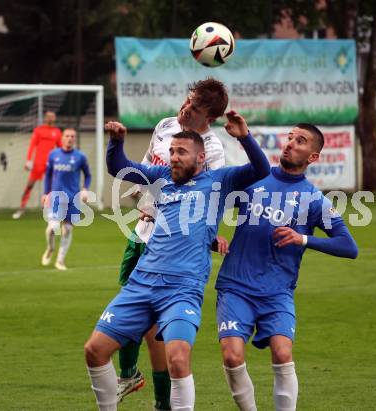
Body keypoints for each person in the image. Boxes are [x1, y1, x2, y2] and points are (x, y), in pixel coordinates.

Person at [84, 111, 270, 411]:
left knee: (179, 360)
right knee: (94, 351)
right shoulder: (162, 178)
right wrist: (116, 142)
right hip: (142, 283)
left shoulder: (220, 181)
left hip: (182, 290)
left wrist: (244, 138)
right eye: (171, 151)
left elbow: (261, 169)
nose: (173, 157)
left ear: (200, 158)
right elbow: (122, 168)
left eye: (181, 152)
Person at [215, 123, 358, 411]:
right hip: (236, 286)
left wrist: (303, 238)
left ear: (313, 157)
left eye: (300, 141)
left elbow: (349, 246)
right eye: (290, 137)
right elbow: (207, 205)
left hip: (277, 292)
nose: (291, 143)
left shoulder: (315, 200)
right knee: (232, 357)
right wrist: (211, 235)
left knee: (282, 353)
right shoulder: (254, 180)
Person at [115, 78, 229, 410]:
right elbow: (149, 165)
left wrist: (208, 233)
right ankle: (137, 380)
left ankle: (153, 394)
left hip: (174, 242)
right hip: (142, 230)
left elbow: (213, 194)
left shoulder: (213, 149)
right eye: (186, 100)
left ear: (208, 117)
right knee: (135, 309)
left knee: (150, 323)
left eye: (193, 107)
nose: (184, 108)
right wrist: (141, 191)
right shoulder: (166, 126)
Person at [41, 128, 91, 270]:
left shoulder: (80, 157)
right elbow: (48, 175)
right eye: (67, 136)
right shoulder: (53, 155)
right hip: (56, 197)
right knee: (53, 228)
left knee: (67, 229)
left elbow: (88, 175)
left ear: (75, 139)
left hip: (73, 199)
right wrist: (45, 193)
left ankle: (60, 260)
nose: (69, 138)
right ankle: (50, 248)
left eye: (72, 136)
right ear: (62, 138)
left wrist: (85, 189)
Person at [12, 111, 62, 219]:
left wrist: (62, 161)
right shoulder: (38, 130)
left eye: (52, 116)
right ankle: (22, 208)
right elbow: (32, 145)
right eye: (48, 116)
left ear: (55, 118)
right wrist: (28, 160)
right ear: (45, 118)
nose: (50, 118)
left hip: (51, 164)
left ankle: (49, 209)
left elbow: (60, 148)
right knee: (29, 185)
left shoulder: (57, 132)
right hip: (38, 163)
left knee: (52, 187)